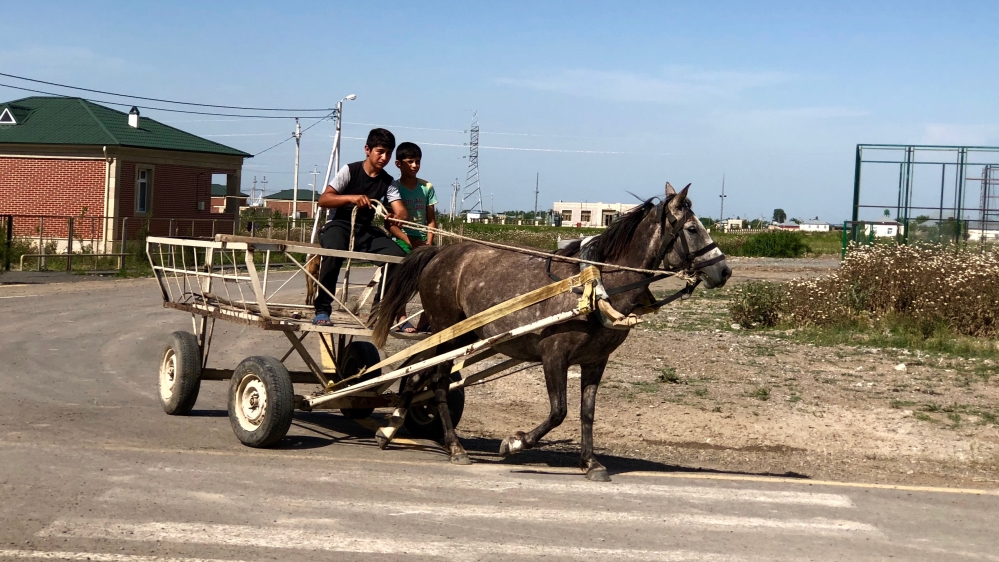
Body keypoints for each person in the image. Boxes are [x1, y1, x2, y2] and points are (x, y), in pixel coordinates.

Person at [312, 128, 407, 326]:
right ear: (367, 149)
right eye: (380, 151)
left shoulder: (388, 182)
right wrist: (351, 198)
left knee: (398, 259)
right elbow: (324, 199)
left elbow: (401, 210)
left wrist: (397, 217)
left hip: (365, 229)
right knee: (334, 251)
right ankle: (322, 309)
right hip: (339, 224)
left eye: (388, 153)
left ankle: (377, 312)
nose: (384, 157)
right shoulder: (350, 170)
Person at [386, 142, 437, 333]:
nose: (414, 165)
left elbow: (431, 220)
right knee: (401, 278)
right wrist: (409, 241)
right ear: (399, 164)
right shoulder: (394, 188)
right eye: (410, 162)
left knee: (431, 279)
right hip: (402, 238)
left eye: (417, 161)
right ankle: (402, 318)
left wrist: (428, 244)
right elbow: (390, 223)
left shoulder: (427, 187)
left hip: (424, 240)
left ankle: (426, 319)